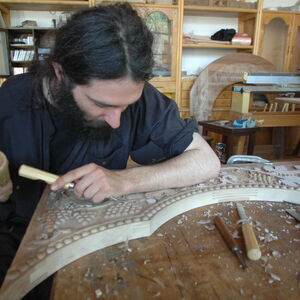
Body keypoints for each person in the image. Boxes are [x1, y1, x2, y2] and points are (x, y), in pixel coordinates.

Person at [0, 3, 220, 297]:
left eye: (125, 106)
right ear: (60, 73)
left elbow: (206, 162)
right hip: (16, 246)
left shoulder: (141, 99)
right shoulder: (10, 101)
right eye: (102, 105)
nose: (117, 121)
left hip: (97, 243)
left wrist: (124, 180)